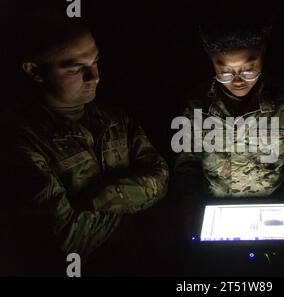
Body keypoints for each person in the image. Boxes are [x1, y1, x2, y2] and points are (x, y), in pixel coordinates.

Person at [3, 16, 169, 275]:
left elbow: (161, 178)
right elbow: (66, 239)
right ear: (34, 71)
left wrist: (94, 199)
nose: (95, 77)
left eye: (96, 61)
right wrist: (133, 209)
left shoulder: (116, 119)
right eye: (74, 68)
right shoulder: (19, 142)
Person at [173, 14, 284, 216]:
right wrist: (195, 214)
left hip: (273, 211)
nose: (238, 80)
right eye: (225, 71)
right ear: (212, 61)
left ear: (263, 54)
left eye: (249, 70)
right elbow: (185, 170)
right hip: (214, 212)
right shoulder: (194, 106)